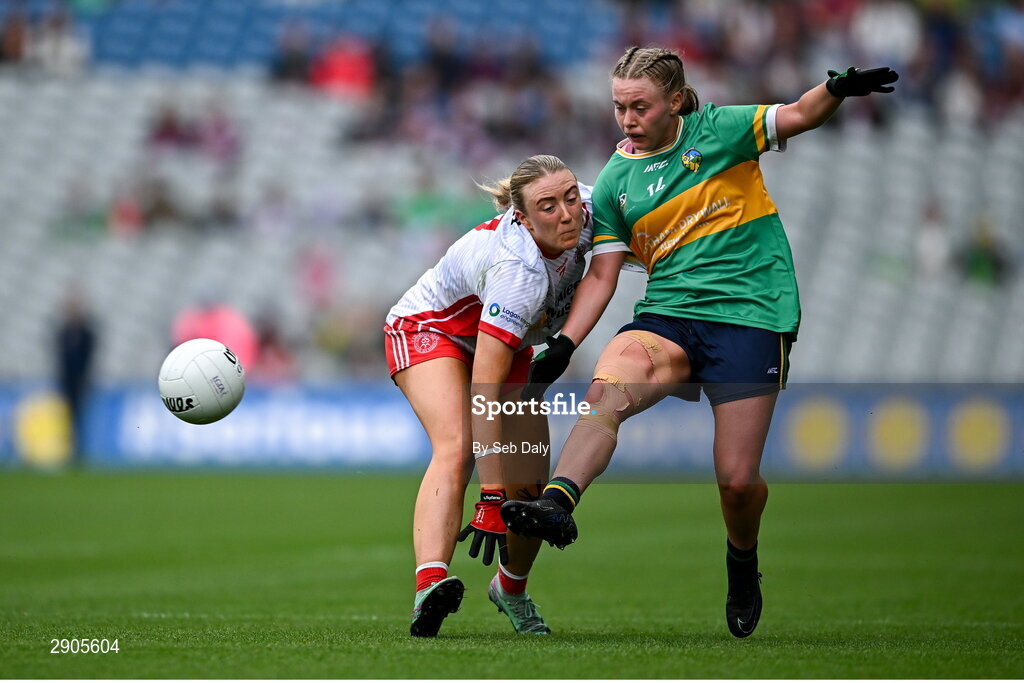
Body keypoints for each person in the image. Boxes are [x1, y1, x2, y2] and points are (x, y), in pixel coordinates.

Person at [501, 48, 898, 638]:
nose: (627, 118)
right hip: (669, 315)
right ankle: (559, 500)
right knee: (608, 389)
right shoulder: (614, 181)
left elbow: (798, 115)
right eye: (618, 106)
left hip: (751, 316)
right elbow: (605, 275)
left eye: (640, 106)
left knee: (737, 482)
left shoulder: (723, 130)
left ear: (676, 101)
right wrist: (564, 343)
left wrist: (835, 88)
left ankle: (742, 560)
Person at [384, 154, 595, 637]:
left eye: (569, 199)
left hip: (505, 338)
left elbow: (603, 275)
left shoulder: (589, 213)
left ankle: (510, 589)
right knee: (458, 448)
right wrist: (490, 494)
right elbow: (485, 391)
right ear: (520, 216)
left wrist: (507, 493)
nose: (565, 214)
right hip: (432, 329)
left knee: (530, 486)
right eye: (548, 207)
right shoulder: (516, 270)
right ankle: (429, 585)